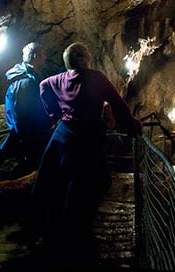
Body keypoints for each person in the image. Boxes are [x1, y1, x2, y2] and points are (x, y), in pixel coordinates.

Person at [32, 41, 142, 264]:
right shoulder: (95, 78)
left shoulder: (60, 79)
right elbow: (117, 103)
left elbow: (43, 86)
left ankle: (57, 232)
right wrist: (131, 126)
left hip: (63, 135)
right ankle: (76, 237)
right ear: (85, 58)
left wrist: (54, 114)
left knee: (60, 182)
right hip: (86, 136)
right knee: (95, 183)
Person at [0, 42, 52, 172]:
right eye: (43, 55)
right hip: (30, 134)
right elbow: (25, 114)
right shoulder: (26, 82)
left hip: (24, 130)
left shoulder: (26, 75)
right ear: (35, 56)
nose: (46, 58)